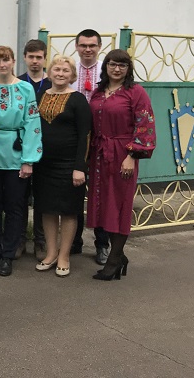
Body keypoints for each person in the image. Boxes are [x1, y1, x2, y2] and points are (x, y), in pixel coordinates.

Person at [88, 49, 155, 280]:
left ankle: (114, 259)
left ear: (128, 69)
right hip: (99, 155)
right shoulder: (98, 91)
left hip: (123, 155)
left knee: (119, 206)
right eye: (112, 64)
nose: (117, 69)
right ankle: (119, 255)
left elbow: (144, 125)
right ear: (105, 66)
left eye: (122, 65)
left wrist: (132, 156)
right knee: (104, 205)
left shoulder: (135, 92)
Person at [0, 46, 42, 277]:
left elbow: (32, 123)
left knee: (15, 207)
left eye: (6, 60)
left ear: (13, 61)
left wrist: (29, 160)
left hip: (16, 154)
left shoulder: (25, 88)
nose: (2, 64)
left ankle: (8, 254)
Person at [32, 55, 91, 277]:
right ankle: (51, 253)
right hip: (43, 164)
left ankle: (64, 255)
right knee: (46, 209)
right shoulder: (40, 96)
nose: (60, 74)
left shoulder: (78, 99)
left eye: (66, 70)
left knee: (68, 210)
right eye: (56, 69)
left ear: (72, 75)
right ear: (49, 72)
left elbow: (85, 135)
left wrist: (80, 167)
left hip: (69, 165)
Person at [70, 29, 111, 264]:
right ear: (76, 46)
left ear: (99, 47)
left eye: (92, 45)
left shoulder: (107, 72)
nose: (87, 49)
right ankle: (74, 240)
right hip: (75, 139)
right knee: (74, 190)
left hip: (100, 138)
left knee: (100, 193)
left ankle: (102, 244)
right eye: (83, 45)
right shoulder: (70, 70)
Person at [18, 39, 52, 258]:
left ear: (45, 59)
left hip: (46, 148)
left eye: (39, 57)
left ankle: (40, 240)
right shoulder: (18, 82)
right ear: (24, 58)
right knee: (20, 196)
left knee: (42, 196)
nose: (35, 61)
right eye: (31, 57)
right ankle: (19, 238)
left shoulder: (52, 84)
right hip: (21, 147)